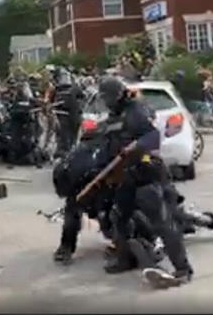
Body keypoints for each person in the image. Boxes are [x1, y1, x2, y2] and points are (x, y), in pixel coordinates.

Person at [90, 77, 192, 283]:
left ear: (118, 95)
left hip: (146, 172)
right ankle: (124, 259)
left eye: (108, 97)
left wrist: (136, 147)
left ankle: (183, 268)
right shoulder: (113, 116)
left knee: (161, 222)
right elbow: (107, 146)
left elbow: (153, 137)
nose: (107, 102)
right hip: (124, 177)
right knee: (119, 218)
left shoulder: (137, 110)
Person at [50, 68, 84, 160]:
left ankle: (67, 154)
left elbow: (82, 98)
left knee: (66, 136)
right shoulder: (74, 87)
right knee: (67, 136)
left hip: (67, 116)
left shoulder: (57, 89)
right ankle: (67, 154)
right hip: (69, 115)